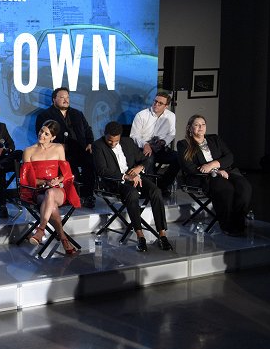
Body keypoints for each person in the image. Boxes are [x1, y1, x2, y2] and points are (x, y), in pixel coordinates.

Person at [92, 121, 172, 252]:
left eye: (116, 141)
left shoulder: (128, 142)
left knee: (156, 191)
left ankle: (162, 234)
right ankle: (140, 235)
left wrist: (140, 167)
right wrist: (125, 176)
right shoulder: (98, 146)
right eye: (109, 140)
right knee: (132, 193)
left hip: (135, 178)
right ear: (104, 134)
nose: (112, 143)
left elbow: (145, 159)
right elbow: (102, 171)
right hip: (115, 182)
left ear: (120, 137)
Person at [177, 114, 253, 236]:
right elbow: (189, 167)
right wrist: (215, 171)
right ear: (189, 128)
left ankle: (238, 222)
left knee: (244, 187)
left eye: (203, 124)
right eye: (196, 125)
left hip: (226, 171)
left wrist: (213, 164)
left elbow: (229, 157)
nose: (200, 127)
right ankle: (227, 226)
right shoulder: (183, 144)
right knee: (226, 189)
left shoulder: (214, 139)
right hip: (203, 177)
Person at [20, 120, 81, 255]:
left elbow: (66, 174)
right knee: (51, 202)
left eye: (46, 134)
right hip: (39, 192)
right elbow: (28, 181)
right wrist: (44, 183)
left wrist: (57, 180)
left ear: (53, 137)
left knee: (52, 193)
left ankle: (41, 229)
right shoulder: (29, 151)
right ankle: (63, 238)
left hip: (58, 190)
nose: (42, 135)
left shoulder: (59, 148)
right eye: (41, 131)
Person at [35, 86, 95, 208]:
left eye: (67, 97)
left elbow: (88, 130)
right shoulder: (45, 115)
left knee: (91, 163)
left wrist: (90, 142)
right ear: (54, 99)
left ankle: (87, 195)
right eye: (62, 97)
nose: (66, 100)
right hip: (60, 153)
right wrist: (55, 146)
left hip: (80, 149)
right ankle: (72, 196)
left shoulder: (77, 113)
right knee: (69, 167)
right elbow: (41, 136)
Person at [129, 91, 180, 195]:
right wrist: (145, 144)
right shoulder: (141, 115)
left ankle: (163, 185)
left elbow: (171, 134)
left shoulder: (171, 116)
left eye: (160, 103)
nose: (156, 104)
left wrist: (164, 142)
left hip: (160, 147)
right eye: (155, 101)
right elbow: (134, 135)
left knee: (179, 158)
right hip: (143, 147)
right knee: (149, 159)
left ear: (166, 106)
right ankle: (150, 190)